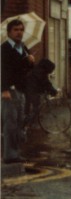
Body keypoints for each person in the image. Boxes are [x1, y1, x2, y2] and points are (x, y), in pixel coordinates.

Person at [1, 19, 35, 163]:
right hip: (9, 90)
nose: (19, 32)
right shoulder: (4, 49)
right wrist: (3, 89)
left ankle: (15, 153)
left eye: (21, 30)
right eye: (16, 30)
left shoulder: (24, 47)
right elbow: (2, 71)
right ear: (9, 32)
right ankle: (9, 155)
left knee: (19, 122)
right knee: (10, 123)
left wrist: (31, 62)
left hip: (21, 90)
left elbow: (24, 69)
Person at [24, 58, 57, 123]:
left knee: (31, 108)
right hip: (32, 91)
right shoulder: (40, 72)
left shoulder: (39, 69)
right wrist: (52, 90)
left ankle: (27, 123)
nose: (51, 72)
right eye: (51, 70)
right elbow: (45, 82)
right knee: (36, 109)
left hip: (31, 90)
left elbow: (45, 82)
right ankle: (26, 122)